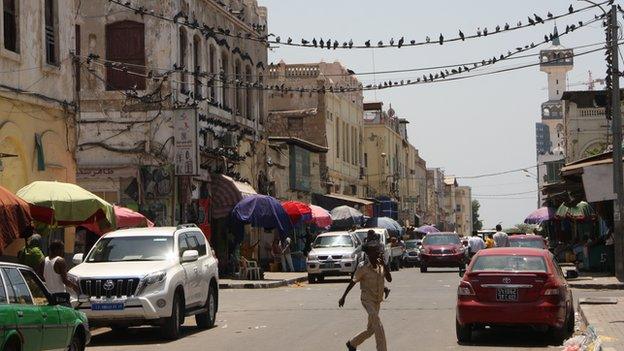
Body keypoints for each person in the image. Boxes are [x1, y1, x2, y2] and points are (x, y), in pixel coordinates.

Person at [339, 243, 392, 351]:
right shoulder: (362, 267)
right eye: (376, 252)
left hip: (377, 300)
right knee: (378, 325)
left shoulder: (381, 265)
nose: (379, 254)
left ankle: (352, 343)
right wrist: (343, 296)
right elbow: (353, 282)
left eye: (379, 252)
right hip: (367, 300)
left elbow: (388, 279)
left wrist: (384, 287)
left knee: (371, 329)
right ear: (369, 254)